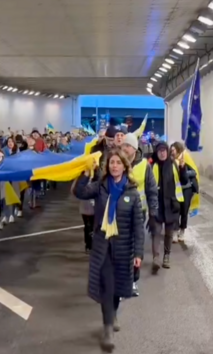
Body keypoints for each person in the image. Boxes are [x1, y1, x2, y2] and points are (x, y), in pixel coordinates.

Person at [73, 149, 144, 352]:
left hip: (123, 247)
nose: (114, 166)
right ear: (107, 166)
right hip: (103, 245)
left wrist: (138, 253)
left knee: (118, 286)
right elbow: (80, 192)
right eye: (111, 162)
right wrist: (85, 174)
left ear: (124, 166)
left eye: (118, 163)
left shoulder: (132, 191)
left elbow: (138, 225)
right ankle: (108, 330)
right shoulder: (101, 187)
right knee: (107, 285)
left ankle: (113, 314)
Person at [121, 133, 158, 296]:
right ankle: (122, 283)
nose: (123, 149)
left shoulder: (144, 165)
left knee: (136, 248)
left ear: (134, 149)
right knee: (121, 249)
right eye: (122, 146)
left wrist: (153, 213)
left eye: (127, 146)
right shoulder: (118, 163)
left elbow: (151, 191)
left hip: (139, 213)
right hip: (120, 213)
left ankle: (134, 281)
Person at [150, 142, 184, 270]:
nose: (162, 153)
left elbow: (182, 181)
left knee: (169, 234)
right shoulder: (153, 166)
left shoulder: (174, 165)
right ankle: (156, 258)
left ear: (168, 152)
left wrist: (183, 168)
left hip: (171, 204)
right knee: (156, 232)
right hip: (157, 205)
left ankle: (166, 256)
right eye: (160, 151)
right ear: (157, 152)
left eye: (164, 150)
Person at [170, 142, 198, 243]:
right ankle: (175, 231)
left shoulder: (186, 158)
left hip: (186, 189)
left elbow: (194, 171)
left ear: (178, 150)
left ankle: (182, 231)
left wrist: (184, 172)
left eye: (173, 150)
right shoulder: (171, 160)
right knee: (175, 210)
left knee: (184, 211)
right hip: (175, 189)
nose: (172, 152)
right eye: (171, 150)